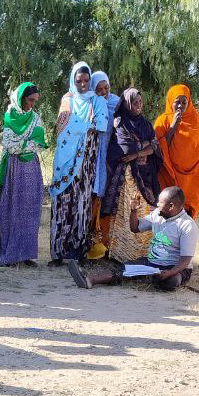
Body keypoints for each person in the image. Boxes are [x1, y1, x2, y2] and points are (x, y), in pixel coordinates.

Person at [73, 186, 197, 292]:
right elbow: (135, 228)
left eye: (160, 203)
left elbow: (185, 260)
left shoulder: (187, 225)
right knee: (124, 268)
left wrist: (170, 272)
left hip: (175, 267)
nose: (157, 205)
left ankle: (152, 277)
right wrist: (133, 211)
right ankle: (90, 279)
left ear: (171, 206)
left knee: (172, 281)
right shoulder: (157, 215)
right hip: (152, 263)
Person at [49, 61, 107, 275]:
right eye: (78, 80)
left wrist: (79, 126)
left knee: (82, 205)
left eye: (86, 80)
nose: (83, 84)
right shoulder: (67, 99)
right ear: (73, 81)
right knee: (63, 203)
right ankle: (57, 253)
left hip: (87, 161)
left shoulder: (97, 101)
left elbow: (101, 124)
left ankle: (77, 253)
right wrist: (85, 126)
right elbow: (62, 125)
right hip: (65, 161)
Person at [0, 82, 46, 267]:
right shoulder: (10, 116)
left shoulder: (36, 118)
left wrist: (23, 145)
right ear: (20, 98)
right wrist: (26, 144)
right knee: (10, 209)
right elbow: (9, 146)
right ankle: (9, 253)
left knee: (29, 211)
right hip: (12, 170)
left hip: (30, 169)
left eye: (35, 101)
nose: (32, 104)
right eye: (29, 100)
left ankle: (26, 254)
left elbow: (39, 142)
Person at [102, 88, 162, 264]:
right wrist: (144, 147)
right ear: (127, 104)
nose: (138, 106)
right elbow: (125, 147)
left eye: (140, 103)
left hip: (145, 174)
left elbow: (155, 147)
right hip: (127, 177)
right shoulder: (120, 122)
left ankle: (143, 252)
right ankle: (122, 254)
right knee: (127, 211)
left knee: (147, 212)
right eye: (134, 103)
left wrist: (137, 153)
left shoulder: (145, 124)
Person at [152, 84, 199, 218]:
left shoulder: (196, 122)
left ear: (189, 103)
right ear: (170, 102)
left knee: (184, 218)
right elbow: (157, 148)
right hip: (168, 175)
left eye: (184, 102)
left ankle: (183, 238)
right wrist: (173, 125)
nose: (180, 106)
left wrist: (198, 173)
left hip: (191, 180)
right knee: (166, 214)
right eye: (177, 102)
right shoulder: (162, 121)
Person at [87, 70, 120, 260]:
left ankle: (107, 244)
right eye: (99, 89)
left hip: (110, 156)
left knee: (108, 197)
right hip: (93, 156)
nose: (104, 91)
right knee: (93, 198)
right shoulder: (90, 103)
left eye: (106, 87)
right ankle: (92, 243)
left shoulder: (116, 103)